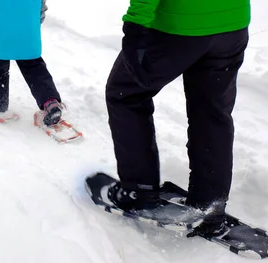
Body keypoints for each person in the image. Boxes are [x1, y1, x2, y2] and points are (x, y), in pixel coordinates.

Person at [102, 0, 251, 237]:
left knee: (126, 93)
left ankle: (139, 192)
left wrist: (136, 27)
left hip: (180, 24)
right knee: (212, 114)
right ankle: (210, 205)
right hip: (232, 26)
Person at [0, 0, 63, 126]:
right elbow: (41, 8)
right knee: (34, 67)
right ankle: (50, 102)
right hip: (28, 33)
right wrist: (31, 28)